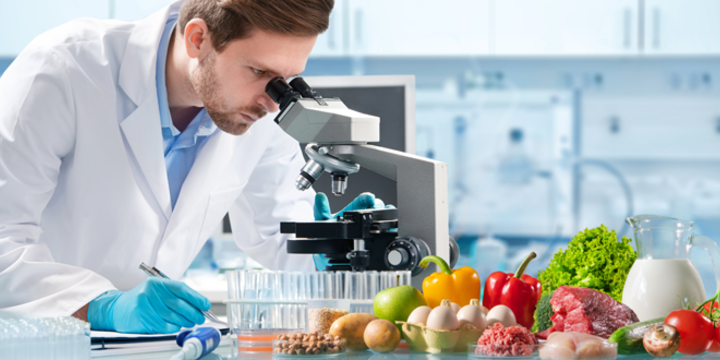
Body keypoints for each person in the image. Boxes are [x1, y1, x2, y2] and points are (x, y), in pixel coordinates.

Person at [0, 0, 385, 334]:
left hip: (152, 346)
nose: (272, 102)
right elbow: (4, 240)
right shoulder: (63, 70)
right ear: (197, 39)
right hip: (45, 338)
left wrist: (335, 248)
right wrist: (101, 306)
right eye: (258, 72)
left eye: (285, 80)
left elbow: (275, 229)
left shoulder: (259, 108)